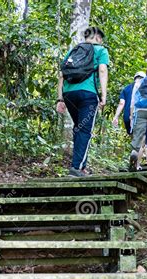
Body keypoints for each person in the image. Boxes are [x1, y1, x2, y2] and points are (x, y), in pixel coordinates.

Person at [56, 27, 109, 177]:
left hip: (69, 94)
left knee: (79, 128)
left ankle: (81, 166)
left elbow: (61, 75)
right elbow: (103, 71)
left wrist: (60, 99)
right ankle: (76, 168)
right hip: (88, 94)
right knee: (85, 130)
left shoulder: (73, 50)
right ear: (98, 38)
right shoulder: (100, 50)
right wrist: (103, 95)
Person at [112, 72, 147, 169]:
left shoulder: (126, 88)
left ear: (134, 78)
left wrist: (116, 117)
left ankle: (134, 154)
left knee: (135, 138)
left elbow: (122, 103)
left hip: (128, 117)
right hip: (142, 116)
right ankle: (136, 165)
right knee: (141, 141)